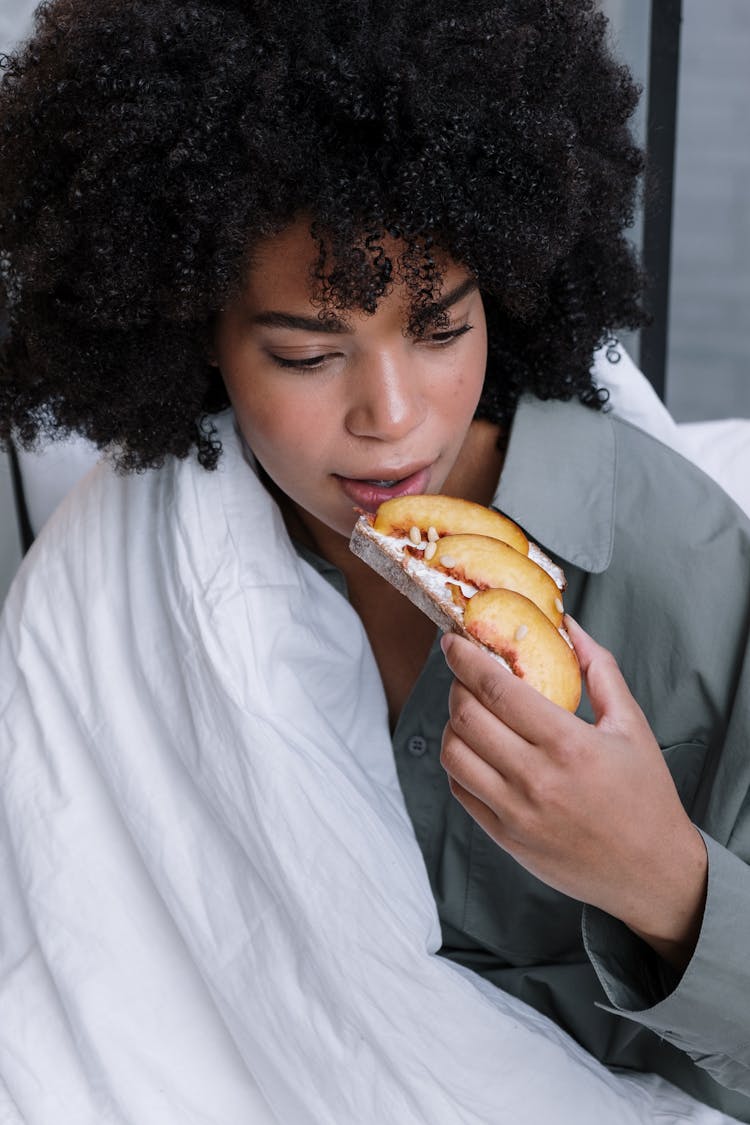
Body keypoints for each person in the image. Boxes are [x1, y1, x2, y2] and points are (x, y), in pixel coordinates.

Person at [0, 1, 748, 1122]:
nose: (394, 421)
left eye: (442, 328)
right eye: (308, 353)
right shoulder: (108, 590)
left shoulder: (680, 564)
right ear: (186, 323)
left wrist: (659, 880)